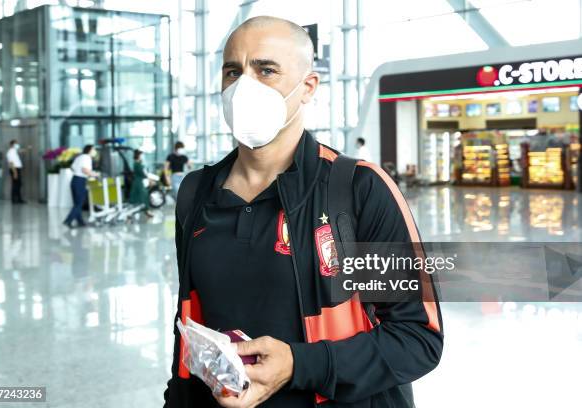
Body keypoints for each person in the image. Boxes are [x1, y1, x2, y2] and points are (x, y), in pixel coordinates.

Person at [164, 16, 442, 408]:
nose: (245, 85)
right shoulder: (196, 192)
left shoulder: (359, 189)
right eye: (233, 71)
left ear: (308, 86)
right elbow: (189, 327)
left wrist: (299, 364)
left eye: (266, 70)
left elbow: (417, 337)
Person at [64, 145, 99, 228]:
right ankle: (68, 220)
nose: (95, 151)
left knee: (77, 203)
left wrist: (80, 172)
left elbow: (72, 168)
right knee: (79, 203)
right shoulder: (87, 157)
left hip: (74, 179)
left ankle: (80, 222)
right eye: (94, 149)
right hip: (80, 181)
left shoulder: (80, 157)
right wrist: (95, 174)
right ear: (90, 150)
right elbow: (85, 170)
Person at [129, 149, 153, 217]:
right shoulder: (138, 164)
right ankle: (146, 211)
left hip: (138, 182)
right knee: (143, 197)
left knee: (138, 197)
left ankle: (145, 211)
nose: (143, 156)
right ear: (139, 156)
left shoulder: (137, 163)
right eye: (142, 155)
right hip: (139, 183)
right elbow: (143, 174)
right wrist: (149, 179)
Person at [6, 139, 25, 204]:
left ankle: (19, 198)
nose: (17, 145)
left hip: (17, 169)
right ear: (12, 145)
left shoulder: (15, 151)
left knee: (18, 184)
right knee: (15, 184)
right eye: (16, 144)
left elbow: (21, 151)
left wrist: (28, 148)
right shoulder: (10, 152)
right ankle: (14, 199)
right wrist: (15, 172)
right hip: (14, 169)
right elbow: (11, 163)